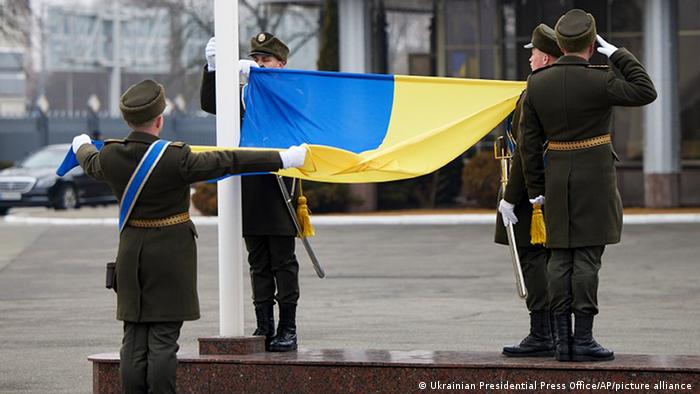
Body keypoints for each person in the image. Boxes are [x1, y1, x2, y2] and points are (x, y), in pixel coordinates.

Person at [72, 79, 307, 392]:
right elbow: (230, 161)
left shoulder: (111, 157)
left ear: (128, 120)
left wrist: (81, 144)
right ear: (159, 119)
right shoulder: (176, 158)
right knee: (163, 339)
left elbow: (89, 159)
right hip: (169, 257)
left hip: (130, 255)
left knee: (133, 337)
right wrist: (283, 158)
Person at [519, 9, 657, 362]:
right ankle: (583, 338)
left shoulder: (537, 83)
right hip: (594, 180)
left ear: (560, 44)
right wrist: (617, 53)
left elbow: (529, 145)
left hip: (556, 179)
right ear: (592, 45)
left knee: (559, 259)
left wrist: (536, 189)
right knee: (587, 260)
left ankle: (560, 340)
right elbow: (646, 90)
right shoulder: (601, 78)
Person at [200, 32, 300, 352]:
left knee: (282, 262)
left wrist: (263, 82)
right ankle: (264, 325)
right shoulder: (243, 95)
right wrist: (213, 69)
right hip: (251, 187)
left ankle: (288, 327)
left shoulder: (291, 90)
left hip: (279, 185)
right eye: (256, 60)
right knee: (257, 262)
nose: (259, 64)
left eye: (265, 60)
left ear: (281, 64)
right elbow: (210, 103)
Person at [496, 23, 562, 358]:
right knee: (549, 258)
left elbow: (526, 150)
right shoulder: (559, 90)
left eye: (534, 54)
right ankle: (553, 331)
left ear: (547, 57)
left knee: (533, 257)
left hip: (530, 192)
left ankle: (541, 333)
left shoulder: (533, 92)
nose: (530, 60)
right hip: (556, 186)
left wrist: (511, 196)